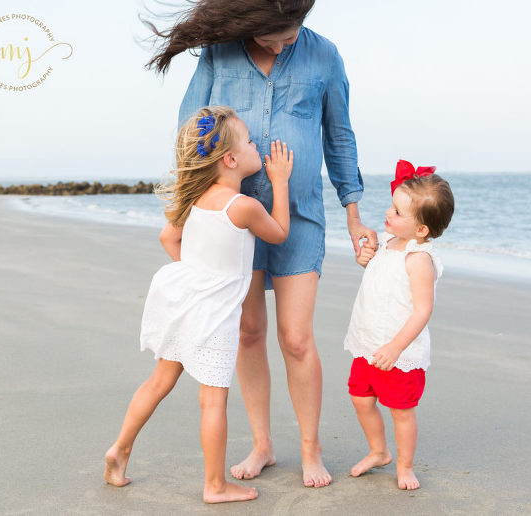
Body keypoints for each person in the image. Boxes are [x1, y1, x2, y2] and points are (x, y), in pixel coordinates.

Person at [145, 0, 377, 488]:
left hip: (300, 215)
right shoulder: (220, 53)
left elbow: (339, 137)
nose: (282, 45)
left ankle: (310, 449)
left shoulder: (325, 56)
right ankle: (262, 444)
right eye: (273, 37)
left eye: (291, 36)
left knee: (296, 338)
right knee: (249, 332)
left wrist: (354, 216)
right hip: (233, 223)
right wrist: (180, 214)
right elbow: (191, 131)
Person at [104, 106, 293, 503]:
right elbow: (278, 233)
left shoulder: (195, 199)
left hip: (183, 301)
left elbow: (168, 238)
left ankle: (119, 449)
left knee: (159, 381)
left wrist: (199, 276)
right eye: (249, 142)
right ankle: (215, 485)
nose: (256, 146)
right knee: (213, 399)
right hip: (215, 316)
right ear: (231, 160)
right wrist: (279, 180)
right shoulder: (242, 206)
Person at [344, 161, 454, 490]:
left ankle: (405, 465)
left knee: (401, 411)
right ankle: (379, 451)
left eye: (397, 212)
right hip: (368, 342)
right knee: (361, 398)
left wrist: (396, 347)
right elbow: (381, 279)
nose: (388, 213)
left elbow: (422, 310)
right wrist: (364, 259)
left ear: (421, 230)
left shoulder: (419, 259)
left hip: (398, 351)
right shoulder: (388, 243)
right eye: (391, 206)